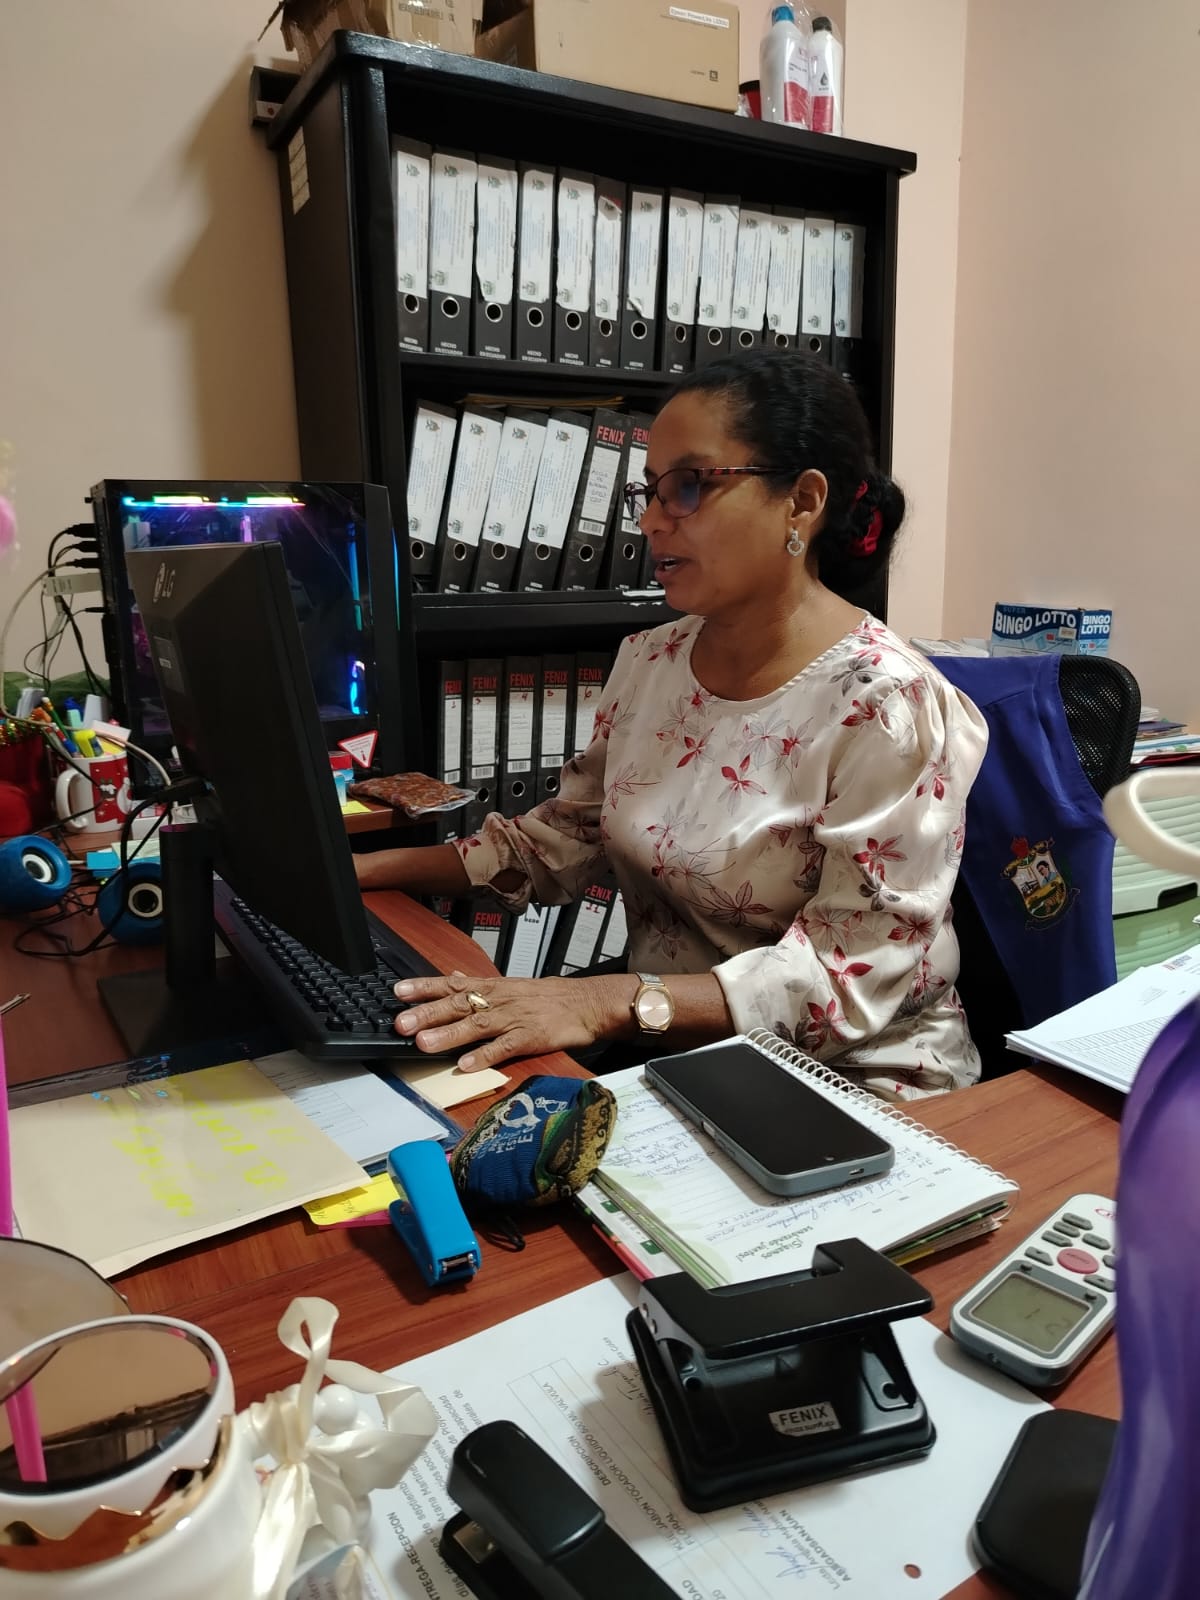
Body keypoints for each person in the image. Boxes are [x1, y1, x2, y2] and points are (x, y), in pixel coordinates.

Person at [358, 351, 989, 1101]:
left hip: (856, 1086)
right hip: (680, 1058)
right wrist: (355, 874)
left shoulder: (889, 703)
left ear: (802, 502)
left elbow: (841, 983)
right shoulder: (652, 660)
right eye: (649, 490)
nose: (652, 521)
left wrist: (602, 1002)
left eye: (690, 486)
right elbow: (557, 844)